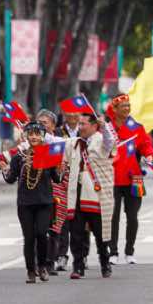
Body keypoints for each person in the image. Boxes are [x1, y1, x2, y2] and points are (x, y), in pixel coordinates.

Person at [56, 107, 113, 279]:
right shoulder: (73, 143)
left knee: (100, 233)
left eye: (83, 124)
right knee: (76, 232)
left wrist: (105, 127)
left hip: (95, 194)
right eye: (79, 124)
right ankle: (78, 266)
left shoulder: (101, 140)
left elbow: (110, 141)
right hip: (76, 192)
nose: (80, 127)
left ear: (94, 126)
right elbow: (54, 143)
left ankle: (105, 262)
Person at [5, 119, 60, 283]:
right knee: (28, 237)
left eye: (37, 134)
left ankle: (42, 266)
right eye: (31, 134)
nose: (34, 137)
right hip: (25, 203)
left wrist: (61, 169)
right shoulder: (19, 157)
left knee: (42, 234)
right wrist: (4, 170)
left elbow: (57, 179)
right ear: (26, 136)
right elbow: (10, 179)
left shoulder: (49, 155)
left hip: (44, 202)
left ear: (43, 136)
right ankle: (30, 270)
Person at [105, 92, 153, 263]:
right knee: (113, 216)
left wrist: (149, 155)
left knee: (133, 216)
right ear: (114, 108)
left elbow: (146, 145)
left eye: (128, 105)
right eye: (123, 106)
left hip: (135, 177)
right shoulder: (106, 128)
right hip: (111, 178)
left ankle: (129, 252)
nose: (127, 108)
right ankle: (113, 252)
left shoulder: (137, 128)